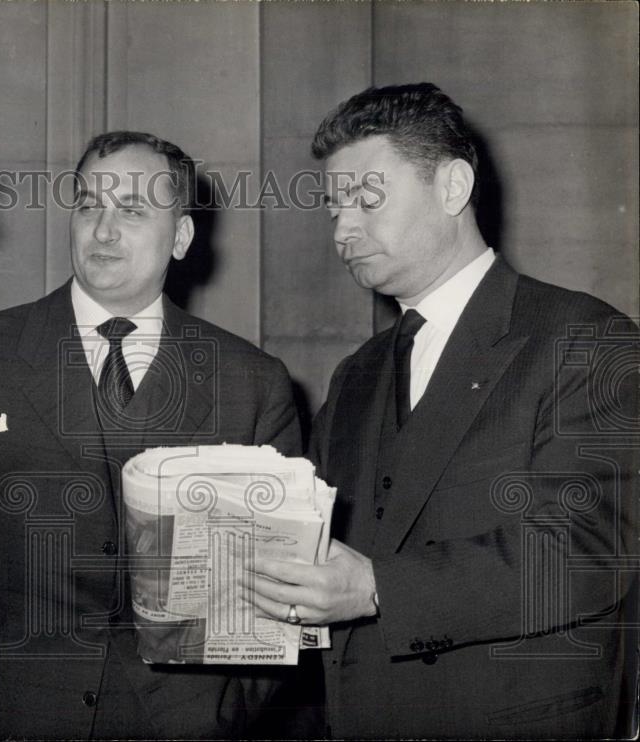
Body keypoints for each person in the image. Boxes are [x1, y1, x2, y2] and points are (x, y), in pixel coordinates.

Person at [245, 82, 639, 738]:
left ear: (452, 187)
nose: (342, 228)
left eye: (367, 198)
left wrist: (379, 590)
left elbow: (589, 550)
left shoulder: (585, 338)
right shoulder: (356, 375)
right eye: (333, 206)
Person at [0, 130, 304, 739]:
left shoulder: (250, 383)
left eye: (131, 211)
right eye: (89, 205)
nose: (103, 230)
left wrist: (221, 713)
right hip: (12, 718)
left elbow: (276, 591)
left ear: (180, 237)